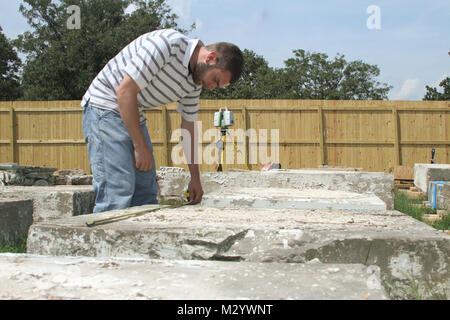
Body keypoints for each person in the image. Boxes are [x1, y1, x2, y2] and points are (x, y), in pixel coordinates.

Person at [81, 28, 244, 213]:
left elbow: (188, 128)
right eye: (215, 79)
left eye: (217, 86)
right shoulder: (167, 44)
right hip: (104, 106)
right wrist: (139, 146)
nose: (212, 87)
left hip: (133, 111)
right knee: (117, 190)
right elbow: (125, 91)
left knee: (145, 192)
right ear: (211, 57)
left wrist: (195, 178)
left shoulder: (194, 82)